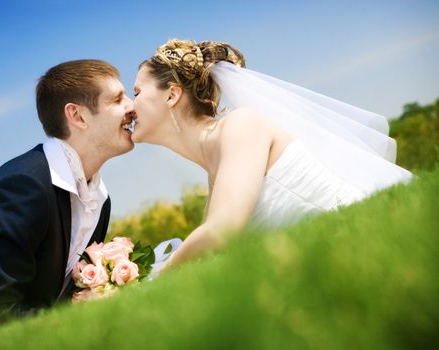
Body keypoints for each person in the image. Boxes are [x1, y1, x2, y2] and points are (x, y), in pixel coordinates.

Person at [132, 39, 412, 272]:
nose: (131, 108)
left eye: (137, 92)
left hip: (372, 246)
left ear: (171, 96)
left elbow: (221, 230)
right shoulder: (216, 170)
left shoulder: (241, 126)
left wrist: (158, 277)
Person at [0, 59, 136, 349]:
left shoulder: (99, 199)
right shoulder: (22, 185)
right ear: (78, 116)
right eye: (118, 99)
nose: (132, 106)